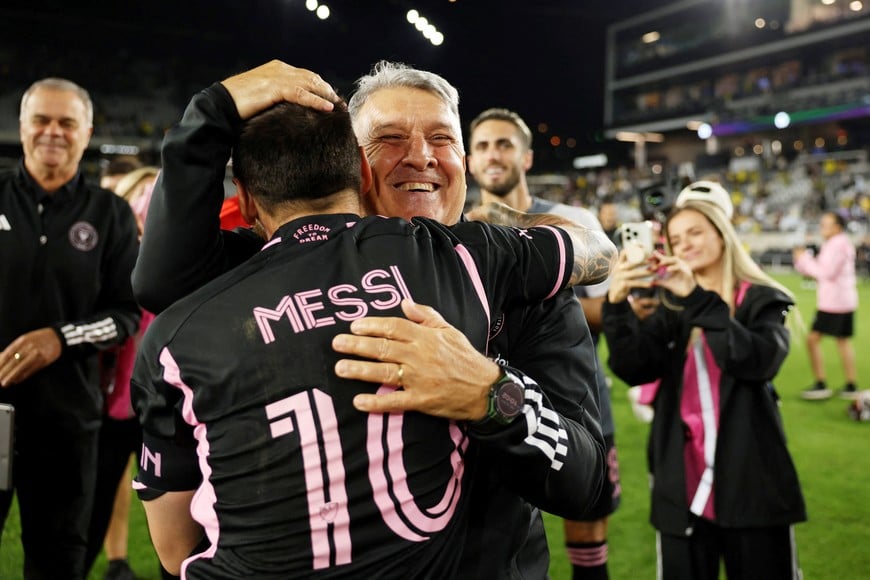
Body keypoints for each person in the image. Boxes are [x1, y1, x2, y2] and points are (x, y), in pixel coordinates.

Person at [132, 60, 614, 578]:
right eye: (389, 137)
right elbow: (163, 281)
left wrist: (492, 395)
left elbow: (584, 484)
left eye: (442, 138)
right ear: (351, 164)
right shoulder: (268, 266)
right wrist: (212, 111)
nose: (421, 156)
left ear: (465, 163)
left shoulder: (519, 282)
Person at [602, 185, 806, 579]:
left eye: (695, 232)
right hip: (682, 481)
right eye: (676, 239)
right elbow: (635, 367)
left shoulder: (762, 299)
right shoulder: (674, 305)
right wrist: (616, 306)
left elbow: (754, 361)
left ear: (721, 232)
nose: (685, 244)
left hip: (750, 480)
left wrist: (696, 297)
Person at [467, 107, 618, 580]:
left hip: (575, 387)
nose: (494, 154)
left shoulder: (573, 220)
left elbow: (605, 309)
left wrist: (509, 220)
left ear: (527, 157)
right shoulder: (457, 224)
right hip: (493, 395)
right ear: (470, 160)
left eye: (504, 144)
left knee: (586, 516)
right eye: (484, 146)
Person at [0, 77, 141, 579]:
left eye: (66, 122)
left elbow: (125, 314)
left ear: (86, 132)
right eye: (41, 120)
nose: (52, 132)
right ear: (21, 126)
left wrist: (61, 338)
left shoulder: (110, 214)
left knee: (58, 562)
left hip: (66, 422)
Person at [86, 165, 165, 580]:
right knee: (104, 497)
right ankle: (115, 560)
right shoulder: (114, 257)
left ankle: (118, 560)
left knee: (168, 502)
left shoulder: (162, 259)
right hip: (116, 403)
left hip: (153, 404)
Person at [794, 211, 860, 400]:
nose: (822, 227)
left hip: (834, 303)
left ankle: (821, 383)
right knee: (842, 341)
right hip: (842, 300)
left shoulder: (837, 245)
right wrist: (803, 261)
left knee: (812, 340)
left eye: (826, 224)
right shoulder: (838, 244)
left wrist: (803, 259)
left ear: (837, 227)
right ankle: (850, 384)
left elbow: (826, 273)